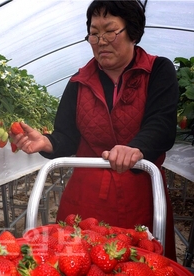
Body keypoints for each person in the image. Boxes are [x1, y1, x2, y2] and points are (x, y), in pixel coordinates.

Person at [10, 0, 179, 260]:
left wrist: (136, 148)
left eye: (110, 31)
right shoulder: (78, 82)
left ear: (132, 32)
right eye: (94, 33)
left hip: (140, 195)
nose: (101, 40)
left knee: (140, 261)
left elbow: (162, 124)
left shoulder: (158, 70)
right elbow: (66, 137)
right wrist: (46, 143)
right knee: (77, 261)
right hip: (85, 200)